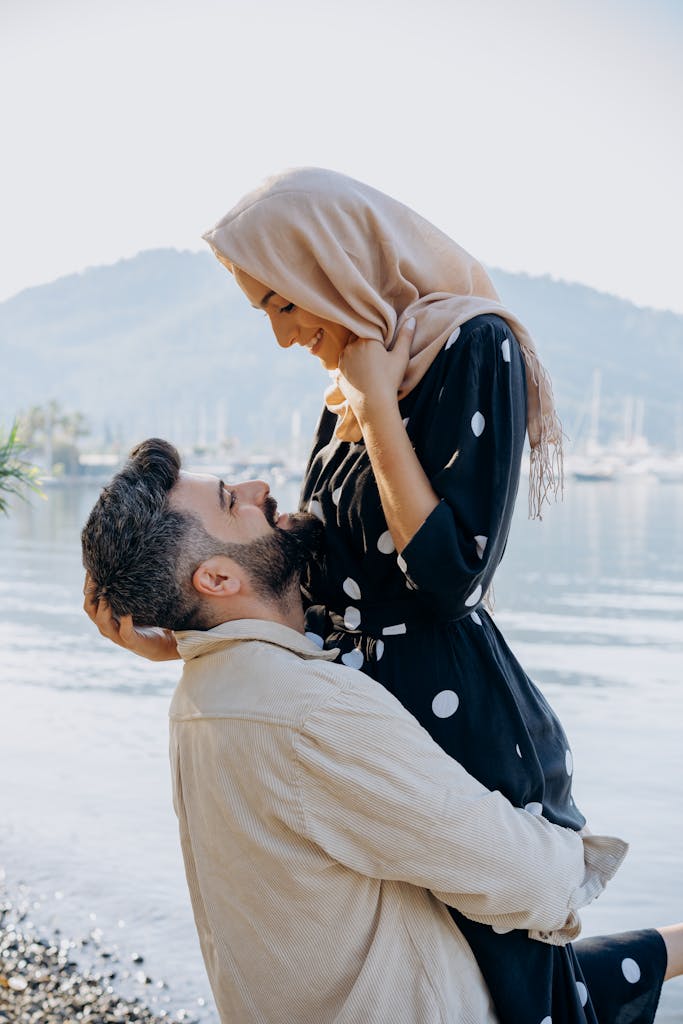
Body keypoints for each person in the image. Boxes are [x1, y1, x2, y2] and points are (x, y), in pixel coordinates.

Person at [85, 169, 680, 1023]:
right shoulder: (353, 382)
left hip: (454, 719)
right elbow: (299, 558)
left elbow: (451, 577)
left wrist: (375, 405)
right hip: (361, 703)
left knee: (526, 989)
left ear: (330, 265)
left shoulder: (472, 347)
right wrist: (158, 616)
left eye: (282, 304)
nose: (285, 338)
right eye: (267, 313)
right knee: (511, 987)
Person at [81, 438, 634, 1024]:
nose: (258, 489)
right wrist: (571, 853)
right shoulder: (303, 711)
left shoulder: (200, 698)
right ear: (216, 578)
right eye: (230, 501)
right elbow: (533, 880)